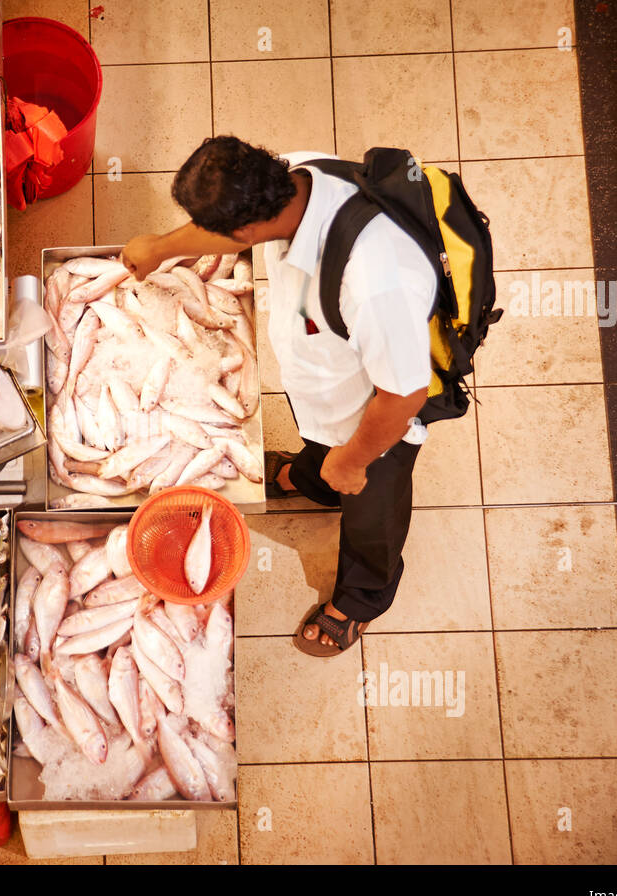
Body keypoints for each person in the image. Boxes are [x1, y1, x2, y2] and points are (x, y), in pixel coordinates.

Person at [120, 136, 436, 658]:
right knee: (322, 451)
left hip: (378, 422)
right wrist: (163, 246)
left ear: (244, 230)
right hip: (326, 386)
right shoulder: (291, 173)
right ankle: (310, 475)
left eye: (220, 233)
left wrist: (354, 461)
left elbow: (403, 395)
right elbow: (228, 227)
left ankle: (361, 598)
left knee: (371, 509)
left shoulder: (377, 279)